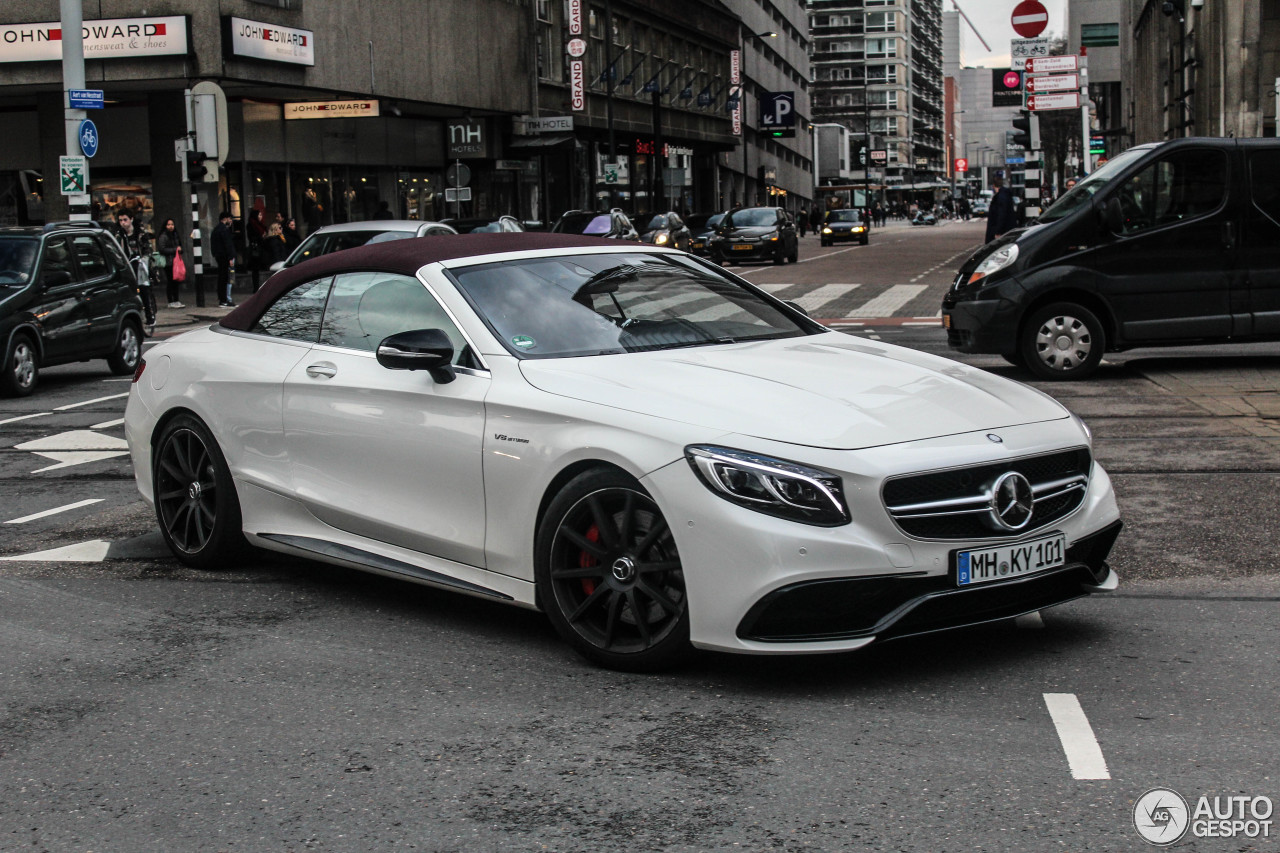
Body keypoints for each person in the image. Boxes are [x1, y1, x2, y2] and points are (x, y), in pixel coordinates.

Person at [114, 210, 155, 334]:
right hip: (127, 266)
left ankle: (149, 316)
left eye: (125, 220)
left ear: (131, 219)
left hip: (140, 265)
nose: (123, 223)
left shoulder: (140, 233)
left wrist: (144, 259)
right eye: (120, 220)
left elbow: (148, 249)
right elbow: (116, 251)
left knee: (143, 289)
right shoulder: (119, 235)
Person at [155, 217, 183, 308]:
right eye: (169, 225)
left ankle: (176, 300)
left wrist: (180, 250)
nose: (171, 227)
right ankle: (171, 301)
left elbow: (180, 245)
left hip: (176, 261)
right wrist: (175, 250)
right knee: (171, 280)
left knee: (176, 281)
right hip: (168, 262)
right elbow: (162, 249)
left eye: (172, 224)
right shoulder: (164, 236)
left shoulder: (175, 235)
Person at [212, 210, 236, 307]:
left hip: (219, 255)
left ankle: (223, 298)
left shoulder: (216, 229)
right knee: (224, 278)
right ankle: (224, 299)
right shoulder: (224, 230)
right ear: (225, 219)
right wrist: (230, 257)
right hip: (224, 256)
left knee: (222, 277)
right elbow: (227, 245)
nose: (231, 221)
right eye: (229, 219)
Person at [985, 177, 1017, 243]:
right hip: (1006, 229)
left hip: (1001, 231)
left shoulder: (1000, 197)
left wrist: (998, 231)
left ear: (994, 186)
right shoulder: (1006, 195)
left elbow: (1001, 214)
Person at [246, 208, 267, 292]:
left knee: (257, 269)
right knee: (255, 270)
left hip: (260, 248)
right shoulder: (251, 224)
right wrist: (261, 237)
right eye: (259, 215)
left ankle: (258, 287)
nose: (261, 217)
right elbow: (252, 237)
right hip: (255, 249)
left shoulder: (259, 224)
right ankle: (256, 288)